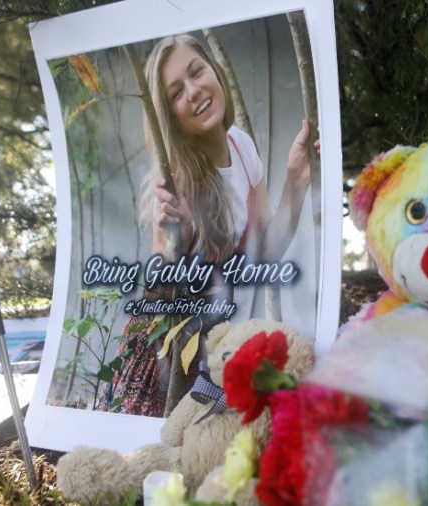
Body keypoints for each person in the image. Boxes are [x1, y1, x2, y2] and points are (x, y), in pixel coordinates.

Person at [97, 34, 317, 417]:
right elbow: (160, 291)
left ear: (214, 69)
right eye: (176, 93)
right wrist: (170, 246)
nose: (194, 91)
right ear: (170, 116)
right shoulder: (175, 182)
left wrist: (295, 180)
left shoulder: (242, 147)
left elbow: (265, 251)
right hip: (170, 346)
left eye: (197, 72)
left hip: (213, 337)